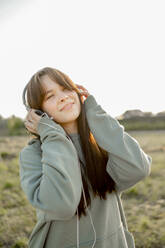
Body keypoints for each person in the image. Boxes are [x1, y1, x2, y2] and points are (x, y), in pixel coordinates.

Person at [19, 67, 152, 248]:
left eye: (66, 88)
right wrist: (51, 134)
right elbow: (61, 204)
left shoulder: (100, 144)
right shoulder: (33, 155)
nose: (63, 97)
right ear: (38, 112)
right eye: (50, 96)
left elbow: (138, 168)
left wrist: (94, 112)